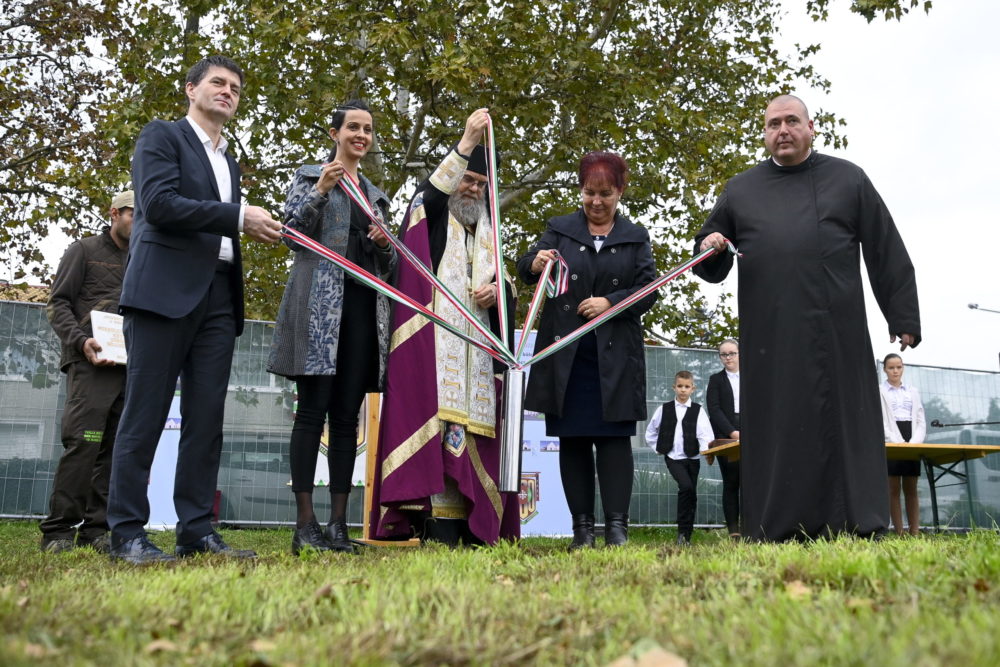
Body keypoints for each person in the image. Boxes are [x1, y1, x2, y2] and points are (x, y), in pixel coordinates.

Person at [695, 94, 921, 541]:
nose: (783, 130)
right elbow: (710, 255)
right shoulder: (741, 189)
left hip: (837, 332)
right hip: (770, 336)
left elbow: (884, 247)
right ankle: (778, 525)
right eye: (773, 123)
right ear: (764, 134)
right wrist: (710, 245)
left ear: (811, 128)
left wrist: (902, 314)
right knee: (779, 428)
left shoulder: (848, 178)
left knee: (846, 424)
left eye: (792, 121)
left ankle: (859, 522)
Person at [107, 56, 283, 563]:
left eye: (234, 87)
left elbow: (219, 223)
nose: (227, 91)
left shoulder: (229, 161)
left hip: (219, 298)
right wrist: (238, 216)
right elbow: (159, 205)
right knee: (145, 414)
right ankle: (126, 533)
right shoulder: (161, 137)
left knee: (206, 421)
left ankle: (196, 530)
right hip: (163, 294)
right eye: (217, 83)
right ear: (192, 89)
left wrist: (245, 222)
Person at [369, 108, 520, 546]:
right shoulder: (437, 223)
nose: (471, 189)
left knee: (470, 438)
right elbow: (425, 197)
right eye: (467, 181)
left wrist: (500, 292)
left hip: (477, 363)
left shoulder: (487, 234)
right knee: (440, 437)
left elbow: (504, 290)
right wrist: (468, 142)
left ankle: (469, 527)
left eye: (480, 185)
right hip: (434, 356)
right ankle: (430, 525)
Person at [267, 100, 397, 554]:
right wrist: (321, 189)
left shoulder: (378, 197)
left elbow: (394, 265)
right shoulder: (309, 176)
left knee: (346, 420)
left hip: (363, 312)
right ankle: (306, 525)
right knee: (311, 414)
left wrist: (384, 244)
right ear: (334, 133)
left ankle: (339, 526)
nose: (361, 135)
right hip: (320, 312)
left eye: (367, 129)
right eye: (353, 128)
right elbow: (289, 233)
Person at [517, 151, 657, 549]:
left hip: (614, 358)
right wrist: (535, 261)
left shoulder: (636, 235)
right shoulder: (559, 229)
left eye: (605, 194)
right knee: (573, 440)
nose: (596, 201)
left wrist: (611, 303)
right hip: (567, 357)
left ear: (620, 192)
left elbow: (649, 291)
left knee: (614, 442)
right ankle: (582, 531)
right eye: (589, 193)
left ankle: (616, 529)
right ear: (580, 190)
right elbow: (525, 266)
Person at [39, 190, 133, 554]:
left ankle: (97, 530)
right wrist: (81, 342)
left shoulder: (145, 256)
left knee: (116, 448)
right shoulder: (84, 250)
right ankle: (59, 530)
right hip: (91, 363)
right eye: (131, 214)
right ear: (114, 213)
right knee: (84, 442)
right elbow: (58, 303)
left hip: (130, 365)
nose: (137, 221)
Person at [645, 370, 714, 545]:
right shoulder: (664, 409)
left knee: (691, 494)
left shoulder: (698, 410)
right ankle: (681, 534)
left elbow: (705, 435)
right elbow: (651, 432)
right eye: (680, 386)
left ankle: (686, 535)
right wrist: (658, 449)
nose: (683, 390)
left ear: (693, 389)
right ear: (674, 387)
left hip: (692, 458)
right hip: (673, 457)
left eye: (687, 386)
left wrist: (707, 452)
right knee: (686, 487)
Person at [879, 353, 926, 536]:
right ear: (885, 370)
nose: (895, 371)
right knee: (893, 488)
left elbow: (921, 420)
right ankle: (899, 532)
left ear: (903, 367)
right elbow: (881, 421)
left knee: (911, 487)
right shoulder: (880, 391)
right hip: (891, 440)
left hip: (912, 439)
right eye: (891, 368)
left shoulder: (912, 391)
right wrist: (896, 442)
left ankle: (915, 531)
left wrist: (914, 443)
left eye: (898, 367)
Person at [706, 338, 742, 538]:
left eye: (732, 353)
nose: (728, 358)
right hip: (725, 434)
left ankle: (753, 526)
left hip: (751, 431)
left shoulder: (751, 377)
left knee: (751, 481)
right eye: (724, 354)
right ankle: (734, 531)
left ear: (739, 353)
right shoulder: (715, 380)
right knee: (731, 481)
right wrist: (732, 432)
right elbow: (715, 410)